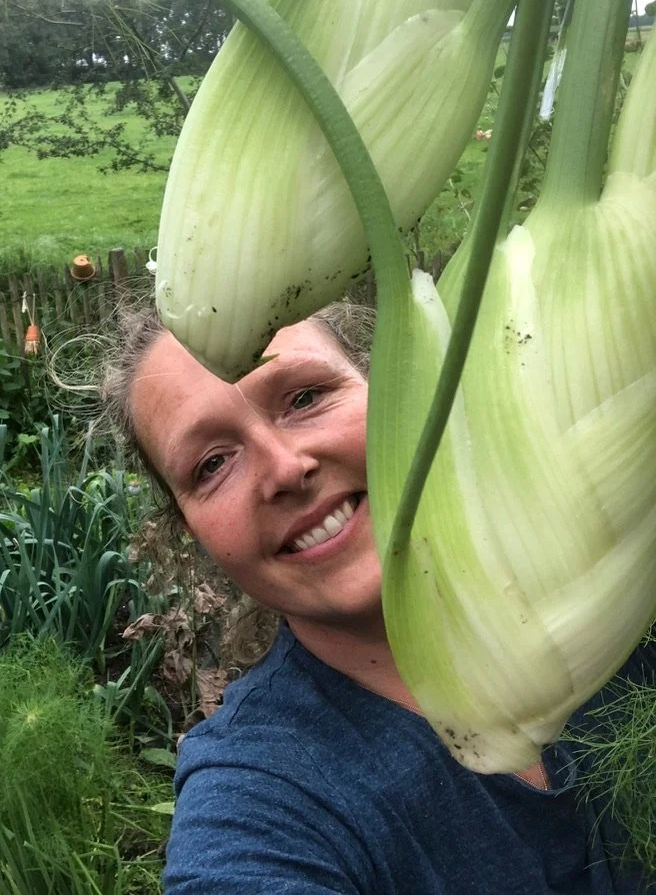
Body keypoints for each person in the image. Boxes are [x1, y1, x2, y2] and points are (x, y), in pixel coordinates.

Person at [103, 301, 654, 895]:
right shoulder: (263, 793)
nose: (285, 469)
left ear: (394, 382)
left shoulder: (621, 582)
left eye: (305, 397)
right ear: (193, 533)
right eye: (212, 464)